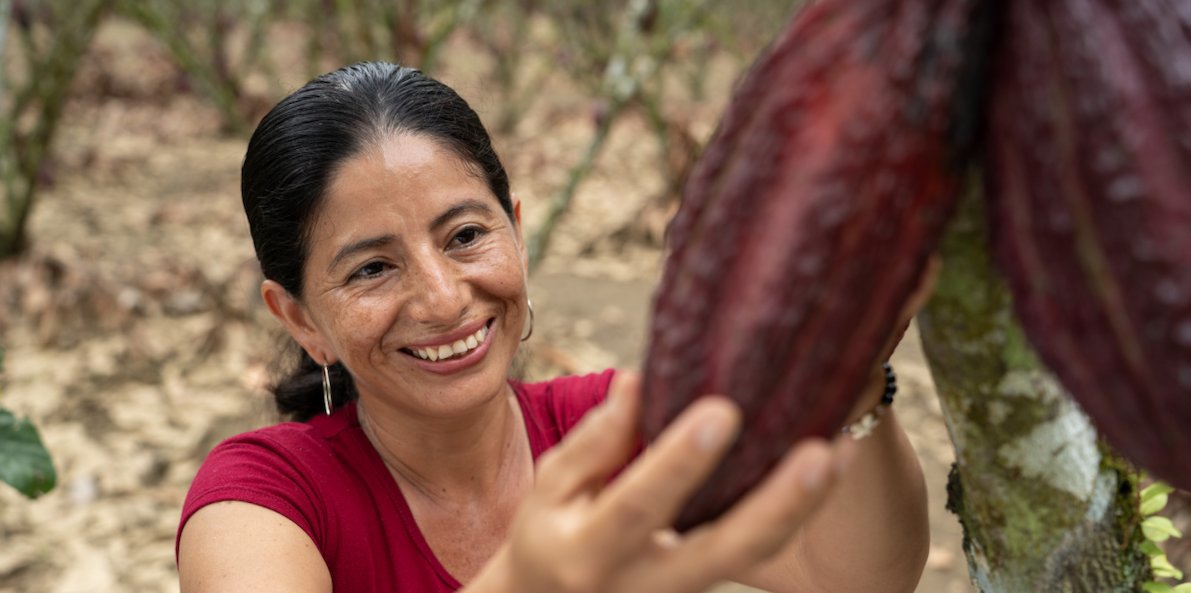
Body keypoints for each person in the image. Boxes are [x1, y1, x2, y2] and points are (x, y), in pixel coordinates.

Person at [176, 61, 932, 593]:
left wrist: (851, 380)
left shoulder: (609, 428)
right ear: (301, 318)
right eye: (372, 268)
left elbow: (857, 577)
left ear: (517, 232)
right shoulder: (261, 497)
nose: (442, 297)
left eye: (466, 235)